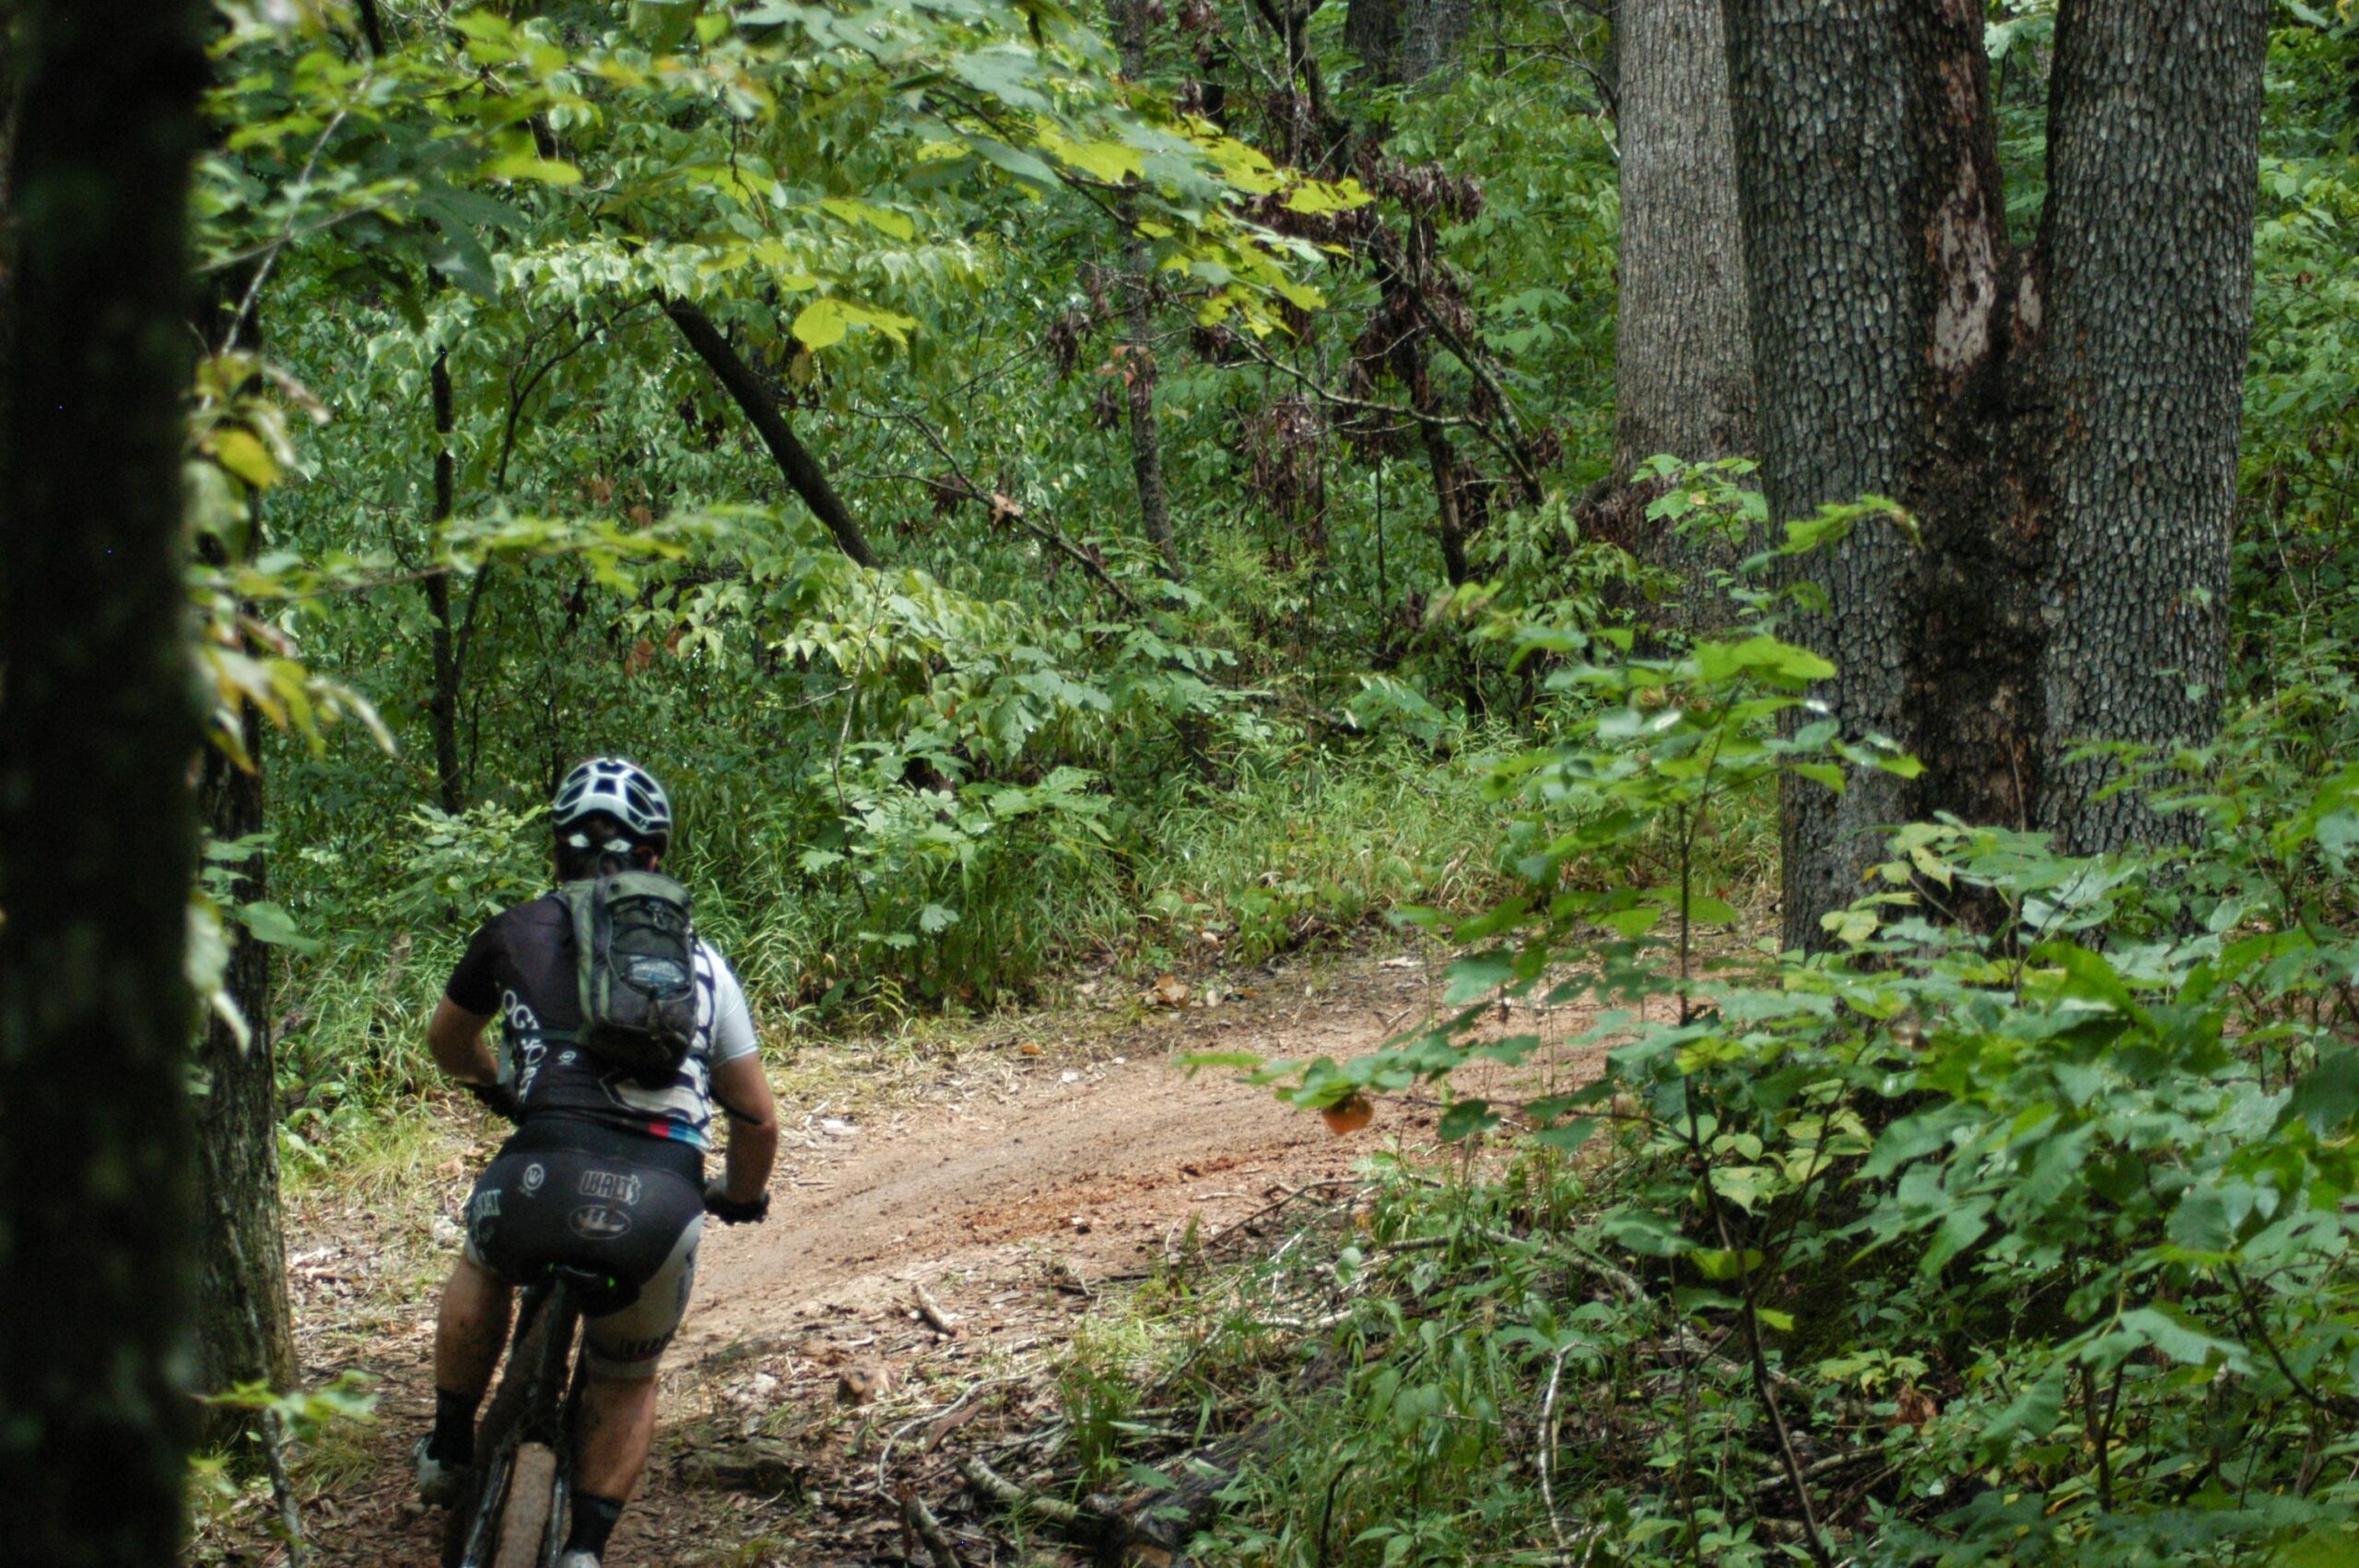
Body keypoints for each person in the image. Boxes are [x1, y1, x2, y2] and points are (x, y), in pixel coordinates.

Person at [413, 756, 779, 1568]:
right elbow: (755, 1115)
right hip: (656, 1204)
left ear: (557, 849)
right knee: (623, 1377)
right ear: (657, 855)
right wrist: (741, 1196)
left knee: (482, 1260)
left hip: (535, 1177)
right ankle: (584, 1547)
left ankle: (446, 1444)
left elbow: (447, 1042)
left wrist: (496, 1082)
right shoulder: (702, 962)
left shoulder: (510, 932)